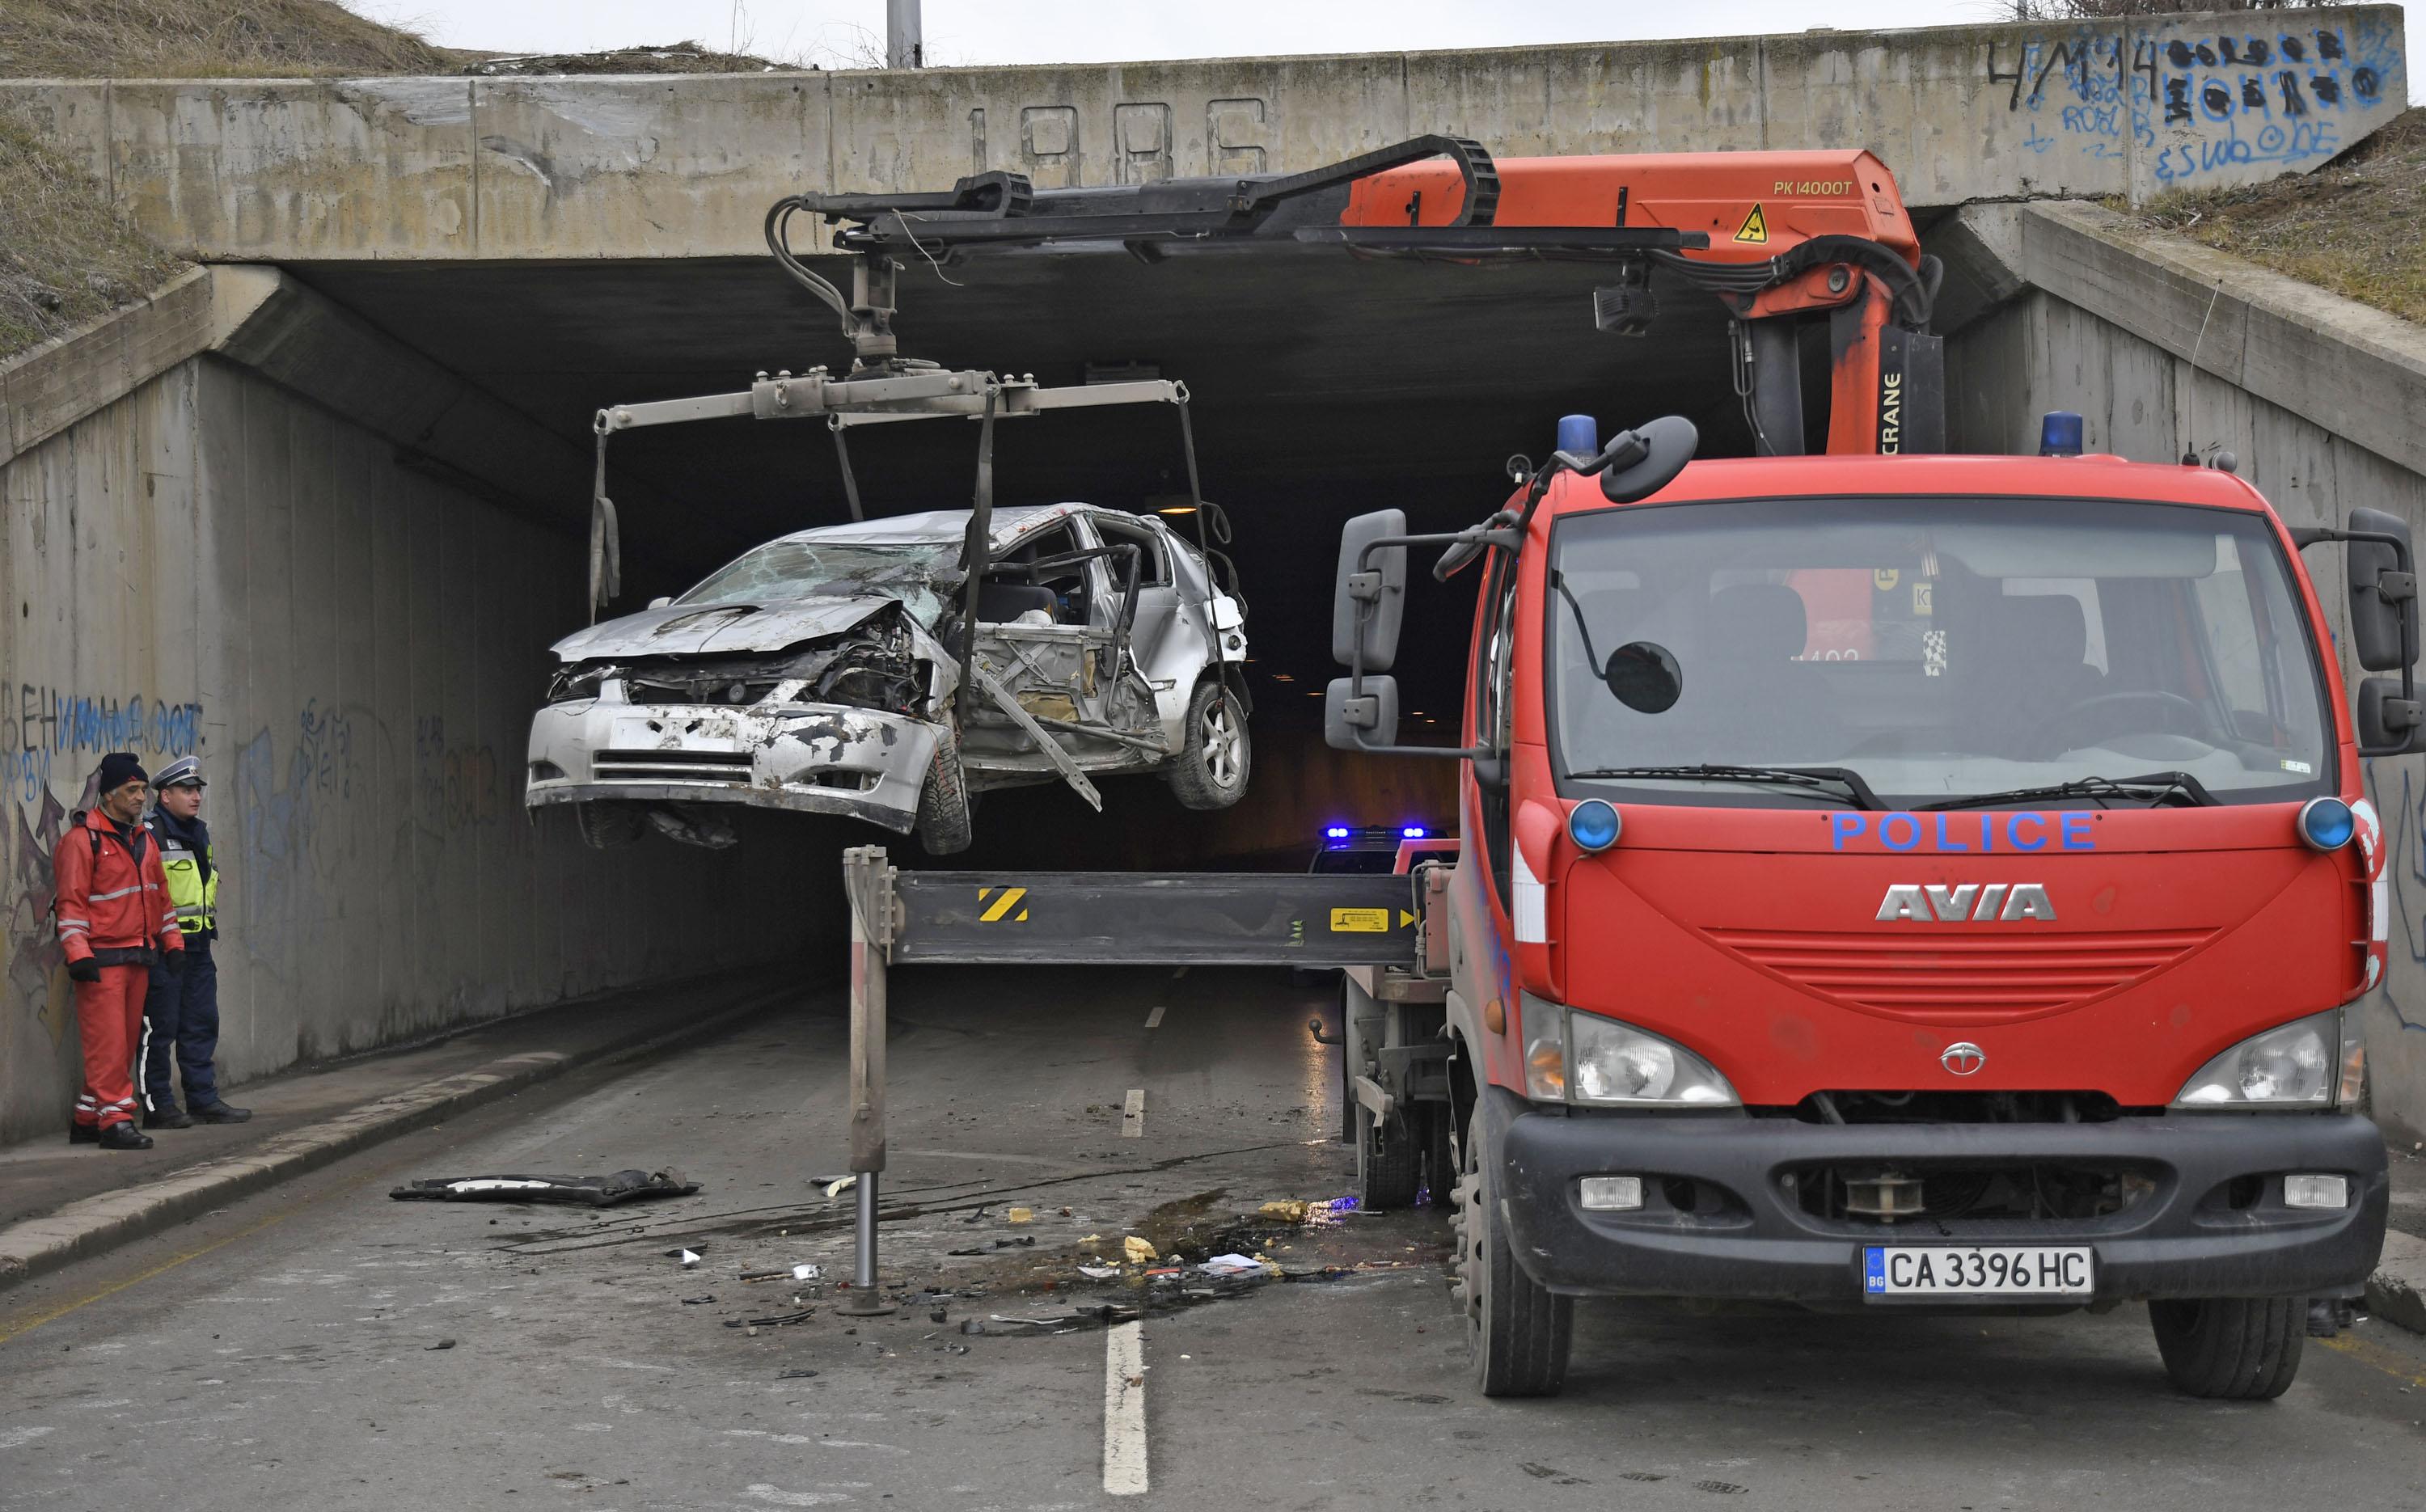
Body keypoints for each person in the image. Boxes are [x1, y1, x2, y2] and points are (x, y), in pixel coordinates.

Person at [54, 752, 184, 1150]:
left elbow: (160, 897)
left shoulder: (142, 838)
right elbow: (71, 904)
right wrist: (79, 954)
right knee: (108, 1043)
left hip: (138, 957)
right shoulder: (82, 841)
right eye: (132, 790)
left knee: (124, 1043)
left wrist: (173, 943)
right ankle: (115, 1120)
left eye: (143, 789)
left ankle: (88, 1117)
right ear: (108, 795)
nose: (140, 797)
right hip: (102, 960)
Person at [141, 756, 249, 1128]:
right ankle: (159, 1105)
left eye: (197, 790)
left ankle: (203, 1099)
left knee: (201, 1023)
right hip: (164, 949)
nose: (195, 797)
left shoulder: (199, 832)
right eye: (186, 790)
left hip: (199, 946)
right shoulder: (150, 833)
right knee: (161, 1028)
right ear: (165, 795)